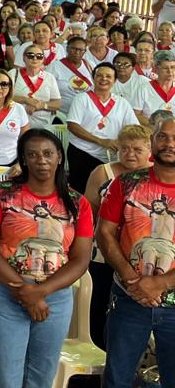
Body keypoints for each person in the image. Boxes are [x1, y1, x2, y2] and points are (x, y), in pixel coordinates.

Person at [0, 128, 94, 388]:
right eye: (32, 154)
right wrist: (25, 291)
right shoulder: (0, 193)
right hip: (7, 291)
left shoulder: (78, 203)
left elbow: (81, 259)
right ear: (24, 159)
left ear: (59, 157)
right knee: (6, 375)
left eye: (48, 154)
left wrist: (40, 292)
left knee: (42, 374)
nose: (41, 160)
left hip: (55, 296)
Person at [95, 116, 175, 387]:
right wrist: (132, 279)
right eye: (162, 136)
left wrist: (160, 283)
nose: (169, 143)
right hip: (129, 297)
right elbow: (104, 233)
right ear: (152, 141)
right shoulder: (125, 183)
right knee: (117, 379)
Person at [83, 123, 153, 346]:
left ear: (149, 150)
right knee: (98, 304)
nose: (130, 154)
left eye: (137, 149)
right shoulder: (102, 172)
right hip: (103, 251)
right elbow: (88, 212)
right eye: (124, 148)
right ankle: (97, 350)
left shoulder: (158, 174)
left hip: (142, 254)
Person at [66, 62, 140, 192]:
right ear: (93, 78)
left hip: (111, 155)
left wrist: (121, 143)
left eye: (108, 76)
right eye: (99, 75)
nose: (104, 79)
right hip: (82, 151)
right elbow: (72, 125)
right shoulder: (82, 98)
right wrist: (101, 141)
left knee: (108, 192)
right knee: (81, 192)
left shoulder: (122, 103)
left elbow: (133, 128)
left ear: (114, 81)